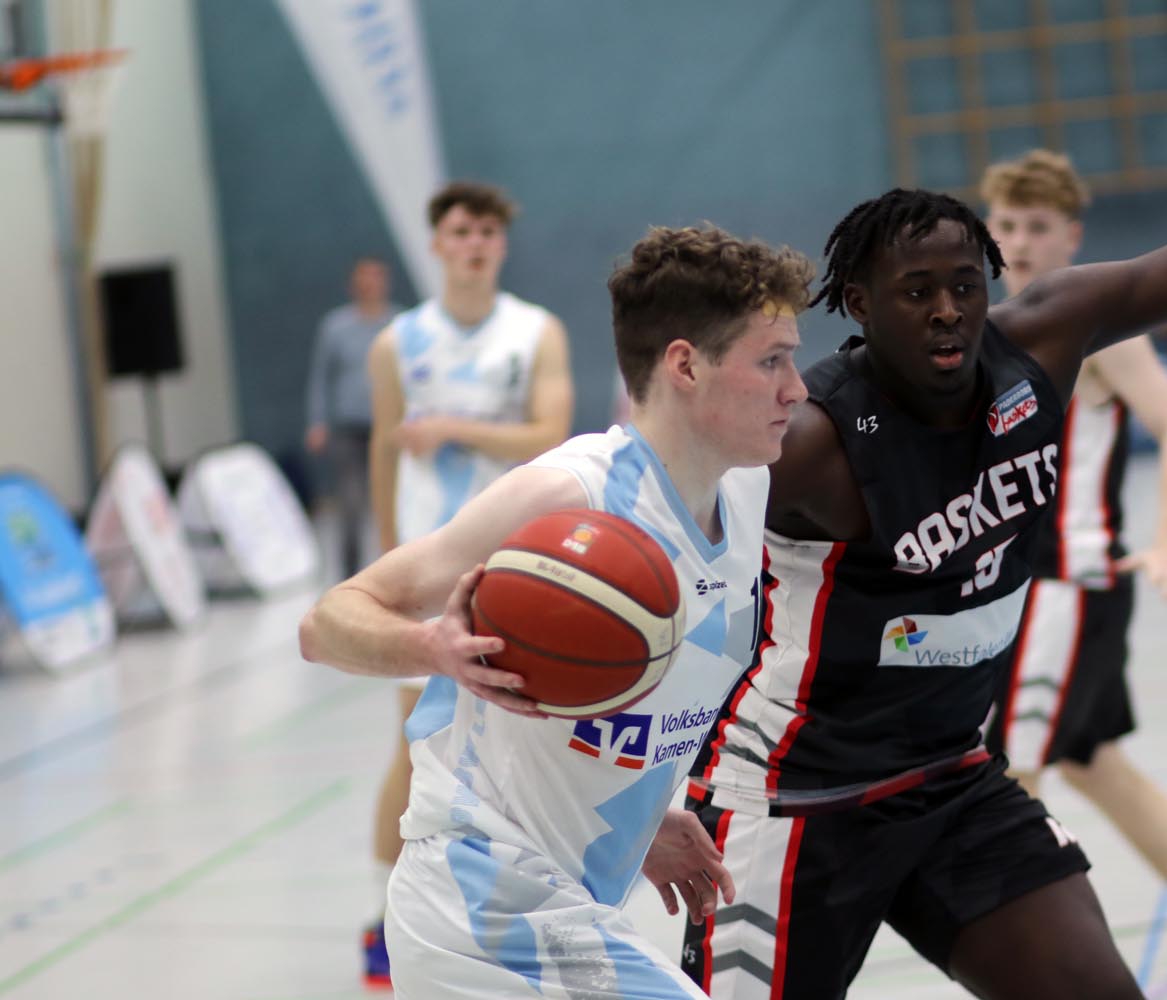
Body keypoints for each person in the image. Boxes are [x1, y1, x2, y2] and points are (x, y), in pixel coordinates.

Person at [676, 21, 1167, 1000]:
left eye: (965, 286)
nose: (950, 310)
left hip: (952, 775)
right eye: (917, 293)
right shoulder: (815, 440)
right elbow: (648, 547)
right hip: (792, 797)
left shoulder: (1043, 341)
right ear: (863, 308)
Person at [300, 224, 813, 998]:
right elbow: (326, 621)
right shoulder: (572, 497)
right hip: (478, 906)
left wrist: (637, 827)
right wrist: (431, 648)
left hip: (563, 904)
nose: (795, 387)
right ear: (685, 365)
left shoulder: (746, 491)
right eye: (770, 360)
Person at [979, 149, 1167, 1000]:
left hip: (1070, 584)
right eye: (1007, 225)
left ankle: (1051, 976)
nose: (1021, 242)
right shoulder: (999, 324)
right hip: (1031, 588)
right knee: (1091, 760)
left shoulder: (1100, 329)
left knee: (1003, 784)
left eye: (1038, 228)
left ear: (1071, 235)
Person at [361, 180, 575, 985]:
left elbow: (548, 430)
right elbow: (386, 447)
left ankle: (517, 910)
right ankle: (383, 918)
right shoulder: (398, 344)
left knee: (521, 745)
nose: (475, 242)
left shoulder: (534, 332)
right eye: (461, 230)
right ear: (438, 243)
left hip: (514, 569)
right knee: (413, 749)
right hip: (429, 569)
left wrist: (451, 427)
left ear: (501, 244)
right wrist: (385, 560)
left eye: (488, 230)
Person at [304, 257, 399, 579]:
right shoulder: (336, 326)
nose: (370, 284)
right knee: (350, 503)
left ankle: (397, 569)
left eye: (376, 277)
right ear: (353, 284)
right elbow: (321, 376)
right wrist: (317, 421)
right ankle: (350, 577)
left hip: (390, 428)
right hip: (349, 428)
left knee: (395, 501)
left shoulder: (400, 323)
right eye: (364, 278)